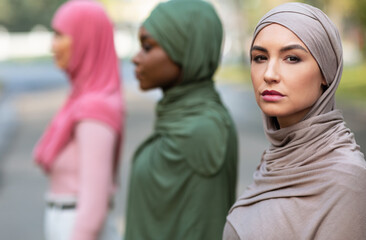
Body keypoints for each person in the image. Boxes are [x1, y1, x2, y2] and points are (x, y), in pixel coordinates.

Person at [223, 2, 366, 240]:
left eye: (291, 58)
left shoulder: (346, 180)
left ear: (325, 71)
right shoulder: (276, 159)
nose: (269, 74)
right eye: (260, 57)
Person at [124, 0, 238, 239]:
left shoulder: (205, 130)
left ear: (187, 50)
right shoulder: (181, 117)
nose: (136, 58)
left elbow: (206, 225)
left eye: (147, 47)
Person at [33, 0, 124, 239]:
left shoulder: (95, 108)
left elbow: (93, 209)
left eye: (60, 35)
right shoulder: (78, 99)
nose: (53, 46)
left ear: (86, 39)